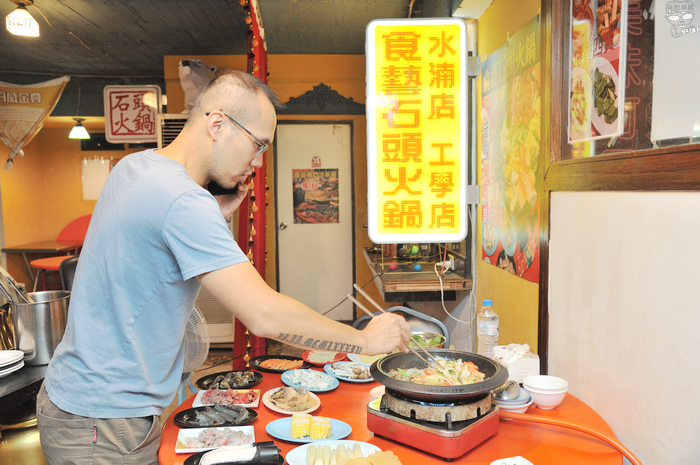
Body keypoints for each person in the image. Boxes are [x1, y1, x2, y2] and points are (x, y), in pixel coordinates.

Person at [36, 70, 411, 465]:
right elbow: (263, 315)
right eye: (257, 145)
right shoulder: (183, 201)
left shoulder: (135, 167)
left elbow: (144, 251)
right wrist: (364, 342)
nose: (257, 162)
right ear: (217, 124)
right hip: (105, 422)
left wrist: (211, 212)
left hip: (75, 400)